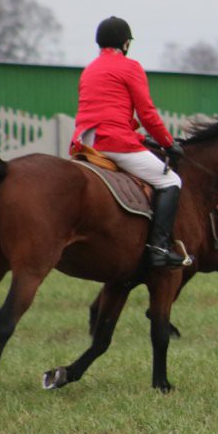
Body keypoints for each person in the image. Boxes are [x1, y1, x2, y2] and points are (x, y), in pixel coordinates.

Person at [70, 16, 188, 268]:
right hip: (114, 143)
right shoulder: (130, 66)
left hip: (86, 142)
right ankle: (158, 249)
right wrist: (167, 143)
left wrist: (139, 137)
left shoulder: (89, 69)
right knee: (170, 180)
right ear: (125, 44)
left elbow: (103, 114)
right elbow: (147, 113)